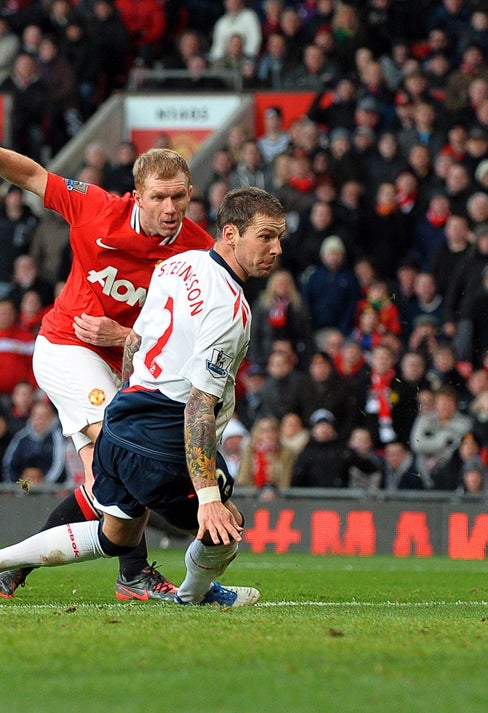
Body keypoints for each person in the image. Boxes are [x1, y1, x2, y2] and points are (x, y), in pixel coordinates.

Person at [0, 186, 288, 606]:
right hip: (162, 438)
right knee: (226, 527)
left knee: (115, 535)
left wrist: (124, 400)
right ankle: (192, 597)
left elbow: (136, 342)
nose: (276, 248)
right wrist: (208, 498)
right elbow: (198, 405)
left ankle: (5, 561)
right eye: (265, 236)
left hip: (123, 416)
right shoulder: (231, 309)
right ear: (230, 234)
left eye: (279, 237)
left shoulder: (178, 264)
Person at [0, 145, 213, 602]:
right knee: (126, 455)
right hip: (65, 348)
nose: (170, 209)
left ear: (191, 194)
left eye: (179, 198)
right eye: (158, 197)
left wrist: (122, 336)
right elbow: (34, 174)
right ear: (136, 194)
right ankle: (133, 574)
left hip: (123, 366)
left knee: (105, 487)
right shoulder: (95, 207)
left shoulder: (199, 252)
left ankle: (12, 568)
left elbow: (185, 337)